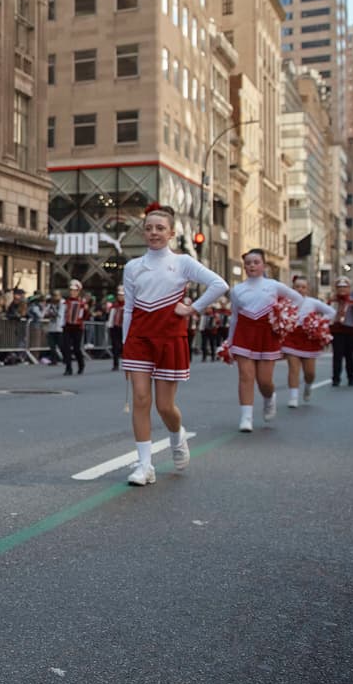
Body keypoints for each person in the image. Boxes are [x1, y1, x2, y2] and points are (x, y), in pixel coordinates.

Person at [120, 203, 227, 485]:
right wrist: (124, 347)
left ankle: (177, 436)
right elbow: (129, 309)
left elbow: (219, 285)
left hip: (169, 337)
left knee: (165, 406)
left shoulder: (182, 263)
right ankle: (144, 466)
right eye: (149, 228)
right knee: (142, 399)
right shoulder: (132, 267)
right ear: (143, 232)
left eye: (160, 228)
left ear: (171, 233)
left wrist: (193, 308)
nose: (154, 233)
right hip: (139, 339)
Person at [225, 249, 304, 432]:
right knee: (245, 376)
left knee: (264, 380)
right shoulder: (237, 290)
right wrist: (230, 341)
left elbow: (298, 300)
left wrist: (283, 316)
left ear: (264, 265)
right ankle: (246, 417)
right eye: (248, 263)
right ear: (244, 266)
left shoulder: (274, 286)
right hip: (244, 334)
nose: (252, 265)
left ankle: (269, 398)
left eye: (256, 262)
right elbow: (235, 317)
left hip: (267, 335)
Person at [280, 275, 334, 408]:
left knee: (310, 373)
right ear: (293, 288)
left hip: (308, 338)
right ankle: (293, 397)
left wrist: (319, 322)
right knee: (293, 368)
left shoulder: (313, 302)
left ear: (307, 289)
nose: (300, 289)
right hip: (291, 336)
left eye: (303, 287)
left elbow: (331, 312)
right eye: (297, 286)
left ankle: (308, 386)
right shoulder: (286, 302)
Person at [328, 277, 353, 386]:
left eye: (345, 287)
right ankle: (335, 378)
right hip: (337, 331)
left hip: (351, 332)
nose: (342, 289)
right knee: (337, 355)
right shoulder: (332, 301)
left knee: (349, 356)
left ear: (349, 288)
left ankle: (351, 377)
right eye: (339, 287)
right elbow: (327, 315)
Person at [59, 279, 88, 375]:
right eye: (71, 290)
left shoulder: (82, 303)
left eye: (75, 290)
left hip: (77, 328)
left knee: (76, 348)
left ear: (78, 291)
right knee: (65, 347)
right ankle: (68, 368)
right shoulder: (65, 303)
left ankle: (81, 364)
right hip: (67, 327)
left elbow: (84, 317)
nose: (72, 292)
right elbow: (62, 315)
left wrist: (86, 310)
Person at [106, 285, 125, 371]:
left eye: (122, 295)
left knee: (123, 346)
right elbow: (111, 316)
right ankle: (115, 364)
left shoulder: (128, 306)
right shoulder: (114, 306)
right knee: (115, 346)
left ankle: (126, 363)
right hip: (115, 328)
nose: (120, 297)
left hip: (124, 329)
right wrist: (110, 326)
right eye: (119, 295)